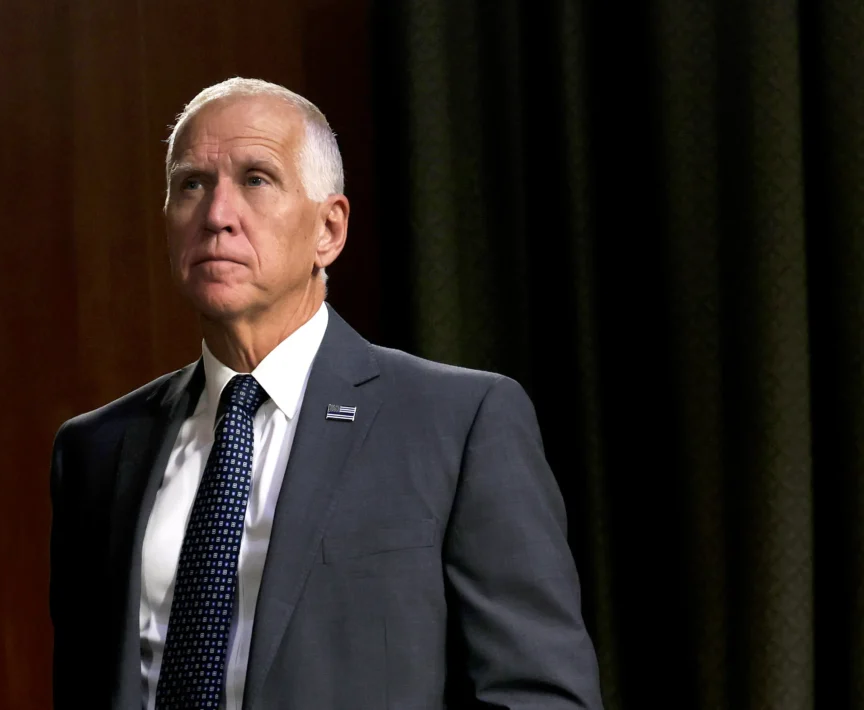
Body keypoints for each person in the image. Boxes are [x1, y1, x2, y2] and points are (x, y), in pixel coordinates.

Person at [49, 77, 604, 710]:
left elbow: (538, 695)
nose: (217, 215)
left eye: (256, 180)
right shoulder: (96, 450)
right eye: (192, 184)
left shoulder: (459, 423)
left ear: (329, 230)